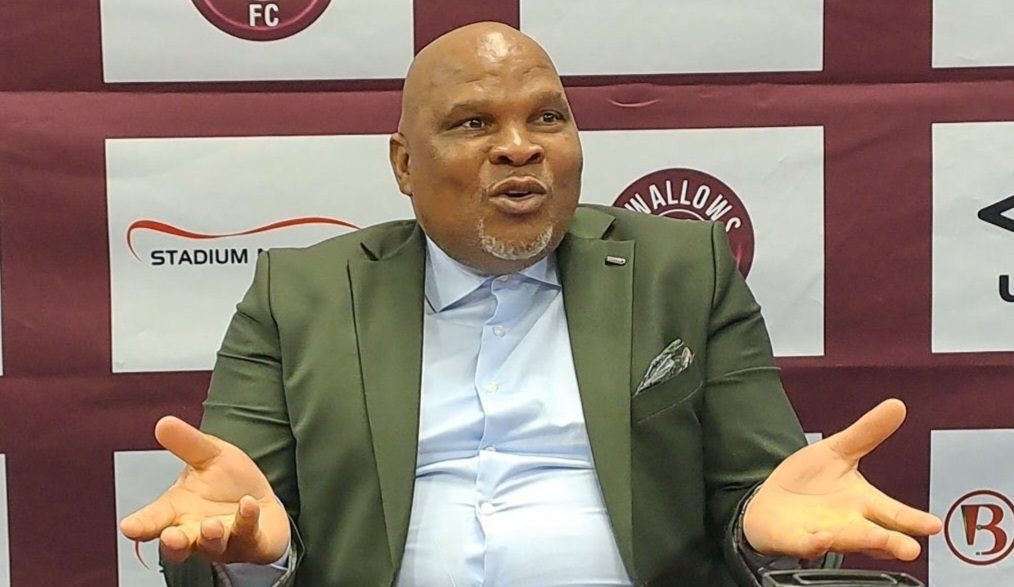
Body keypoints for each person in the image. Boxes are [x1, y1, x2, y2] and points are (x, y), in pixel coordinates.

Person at [120, 22, 942, 586]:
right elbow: (218, 525)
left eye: (547, 116)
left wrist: (759, 524)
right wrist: (248, 554)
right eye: (474, 123)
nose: (520, 147)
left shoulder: (681, 270)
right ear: (404, 164)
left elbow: (758, 501)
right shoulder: (298, 294)